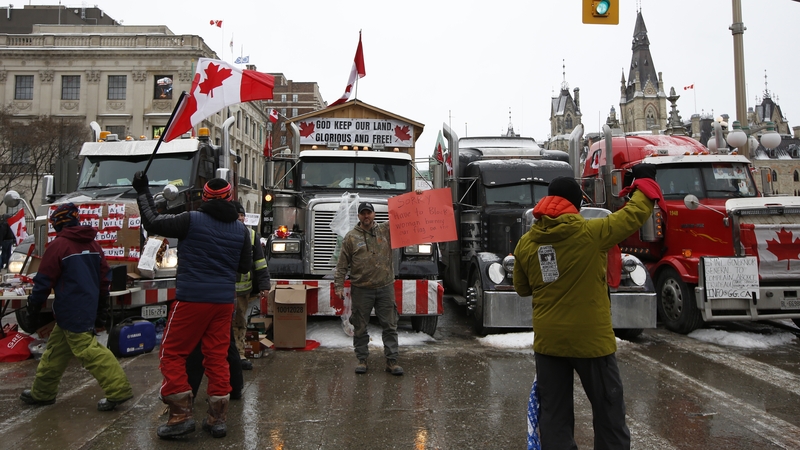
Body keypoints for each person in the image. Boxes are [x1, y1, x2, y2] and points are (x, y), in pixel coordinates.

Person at [513, 165, 662, 450]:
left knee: (554, 416)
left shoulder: (526, 243)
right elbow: (633, 215)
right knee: (608, 410)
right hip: (592, 341)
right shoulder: (593, 233)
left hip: (549, 342)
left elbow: (522, 288)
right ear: (577, 205)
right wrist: (644, 182)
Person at [133, 172, 251, 439]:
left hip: (192, 299)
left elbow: (152, 222)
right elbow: (244, 266)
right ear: (230, 198)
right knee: (217, 356)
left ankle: (181, 415)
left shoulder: (191, 219)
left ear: (204, 198)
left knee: (172, 352)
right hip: (223, 302)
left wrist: (142, 191)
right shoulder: (241, 230)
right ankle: (217, 419)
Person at [20, 202, 133, 411]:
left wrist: (33, 308)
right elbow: (104, 278)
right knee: (55, 352)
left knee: (88, 351)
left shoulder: (58, 246)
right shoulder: (93, 245)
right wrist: (101, 307)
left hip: (70, 308)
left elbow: (43, 281)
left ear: (58, 223)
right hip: (84, 306)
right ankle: (42, 393)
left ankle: (118, 390)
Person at [334, 201, 404, 376]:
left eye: (369, 212)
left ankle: (392, 361)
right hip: (361, 289)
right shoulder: (351, 238)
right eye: (363, 213)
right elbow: (342, 265)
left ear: (374, 214)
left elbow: (404, 218)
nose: (366, 216)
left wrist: (418, 198)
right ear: (359, 216)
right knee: (359, 326)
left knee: (390, 326)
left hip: (385, 287)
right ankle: (362, 360)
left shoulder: (386, 230)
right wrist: (339, 285)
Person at [232, 201, 271, 370]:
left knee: (240, 322)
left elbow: (260, 263)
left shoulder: (251, 235)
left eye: (242, 215)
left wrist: (264, 285)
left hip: (242, 290)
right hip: (224, 288)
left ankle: (239, 354)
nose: (241, 218)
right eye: (237, 215)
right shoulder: (224, 232)